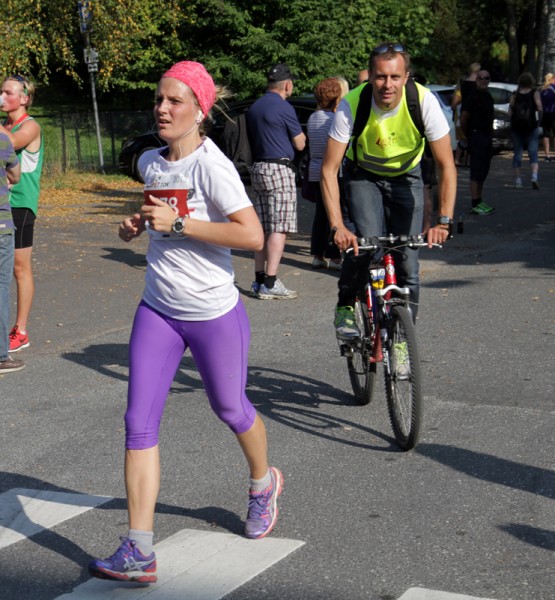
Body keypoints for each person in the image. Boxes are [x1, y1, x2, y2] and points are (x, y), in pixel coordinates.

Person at [88, 61, 283, 584]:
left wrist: (183, 223)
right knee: (138, 424)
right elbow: (157, 220)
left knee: (231, 407)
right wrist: (135, 225)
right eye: (159, 99)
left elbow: (253, 237)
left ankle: (263, 482)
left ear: (200, 109)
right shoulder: (152, 161)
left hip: (212, 312)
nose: (163, 108)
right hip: (157, 309)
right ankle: (139, 548)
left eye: (175, 101)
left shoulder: (212, 166)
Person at [321, 42, 456, 339]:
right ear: (370, 76)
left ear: (407, 77)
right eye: (381, 77)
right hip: (363, 177)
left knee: (408, 259)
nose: (387, 84)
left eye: (395, 77)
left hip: (407, 177)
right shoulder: (352, 104)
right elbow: (329, 169)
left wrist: (443, 220)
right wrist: (338, 226)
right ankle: (345, 306)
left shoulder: (424, 102)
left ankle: (402, 340)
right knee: (366, 244)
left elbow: (447, 165)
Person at [246, 63, 306, 299]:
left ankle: (259, 279)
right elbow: (299, 143)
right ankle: (270, 283)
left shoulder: (255, 107)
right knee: (279, 227)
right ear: (287, 84)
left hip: (258, 168)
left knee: (262, 227)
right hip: (279, 169)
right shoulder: (284, 107)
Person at [0, 75, 43, 352]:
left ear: (24, 98)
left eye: (7, 93)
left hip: (22, 204)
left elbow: (11, 142)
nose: (2, 98)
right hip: (4, 202)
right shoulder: (4, 126)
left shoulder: (31, 126)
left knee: (19, 267)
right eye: (0, 92)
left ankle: (21, 330)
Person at [307, 77, 345, 270]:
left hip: (314, 172)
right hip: (332, 172)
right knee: (333, 214)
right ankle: (335, 257)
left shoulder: (313, 117)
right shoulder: (333, 119)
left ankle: (317, 254)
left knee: (320, 215)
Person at [0, 129, 23, 373]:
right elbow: (15, 175)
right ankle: (0, 356)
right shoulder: (2, 138)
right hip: (1, 226)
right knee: (1, 287)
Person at [460, 69, 495, 215]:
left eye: (486, 78)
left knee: (484, 169)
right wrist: (465, 135)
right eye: (481, 78)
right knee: (476, 169)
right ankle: (475, 202)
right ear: (476, 80)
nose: (484, 81)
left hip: (487, 136)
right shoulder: (472, 97)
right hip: (476, 135)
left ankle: (479, 200)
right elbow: (464, 117)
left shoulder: (488, 96)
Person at [509, 72, 543, 190]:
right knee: (533, 152)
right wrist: (538, 121)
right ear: (531, 81)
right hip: (531, 126)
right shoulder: (535, 93)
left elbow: (510, 111)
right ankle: (534, 177)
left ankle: (518, 180)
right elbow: (539, 108)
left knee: (517, 153)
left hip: (517, 127)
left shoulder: (515, 94)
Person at [451, 63, 481, 167]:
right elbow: (454, 104)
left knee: (464, 139)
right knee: (466, 138)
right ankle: (462, 160)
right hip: (466, 115)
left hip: (461, 114)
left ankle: (460, 160)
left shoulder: (463, 87)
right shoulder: (473, 87)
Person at [539, 72, 555, 162]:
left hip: (545, 114)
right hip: (553, 113)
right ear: (552, 79)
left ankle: (547, 156)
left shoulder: (542, 90)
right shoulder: (553, 88)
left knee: (546, 135)